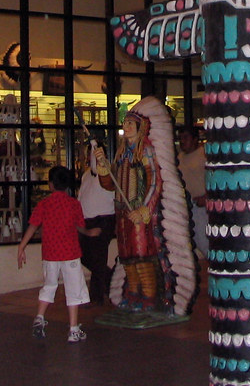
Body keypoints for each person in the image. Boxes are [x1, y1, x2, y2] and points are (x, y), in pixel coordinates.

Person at [17, 165, 100, 343]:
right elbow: (80, 227)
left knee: (49, 286)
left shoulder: (44, 204)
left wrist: (21, 246)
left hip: (50, 254)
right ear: (67, 184)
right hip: (70, 253)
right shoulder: (73, 204)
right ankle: (73, 329)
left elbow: (33, 225)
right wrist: (90, 233)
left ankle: (40, 317)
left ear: (50, 185)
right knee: (74, 289)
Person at [95, 108, 162, 309]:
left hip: (137, 212)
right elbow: (110, 184)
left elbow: (154, 183)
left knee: (141, 254)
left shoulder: (146, 152)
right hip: (122, 212)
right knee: (126, 256)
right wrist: (103, 166)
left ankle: (148, 296)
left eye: (131, 123)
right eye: (125, 123)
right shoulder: (121, 154)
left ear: (140, 127)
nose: (127, 126)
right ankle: (133, 294)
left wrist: (144, 209)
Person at [78, 142, 116, 305]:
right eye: (89, 153)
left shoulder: (107, 171)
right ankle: (112, 281)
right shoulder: (86, 174)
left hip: (103, 219)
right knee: (85, 256)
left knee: (98, 256)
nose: (90, 156)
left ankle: (96, 296)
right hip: (87, 220)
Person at [177, 125, 208, 259]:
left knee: (205, 242)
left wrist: (207, 197)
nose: (182, 141)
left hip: (200, 207)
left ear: (195, 139)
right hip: (184, 208)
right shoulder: (179, 158)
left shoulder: (205, 155)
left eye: (185, 137)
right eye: (180, 138)